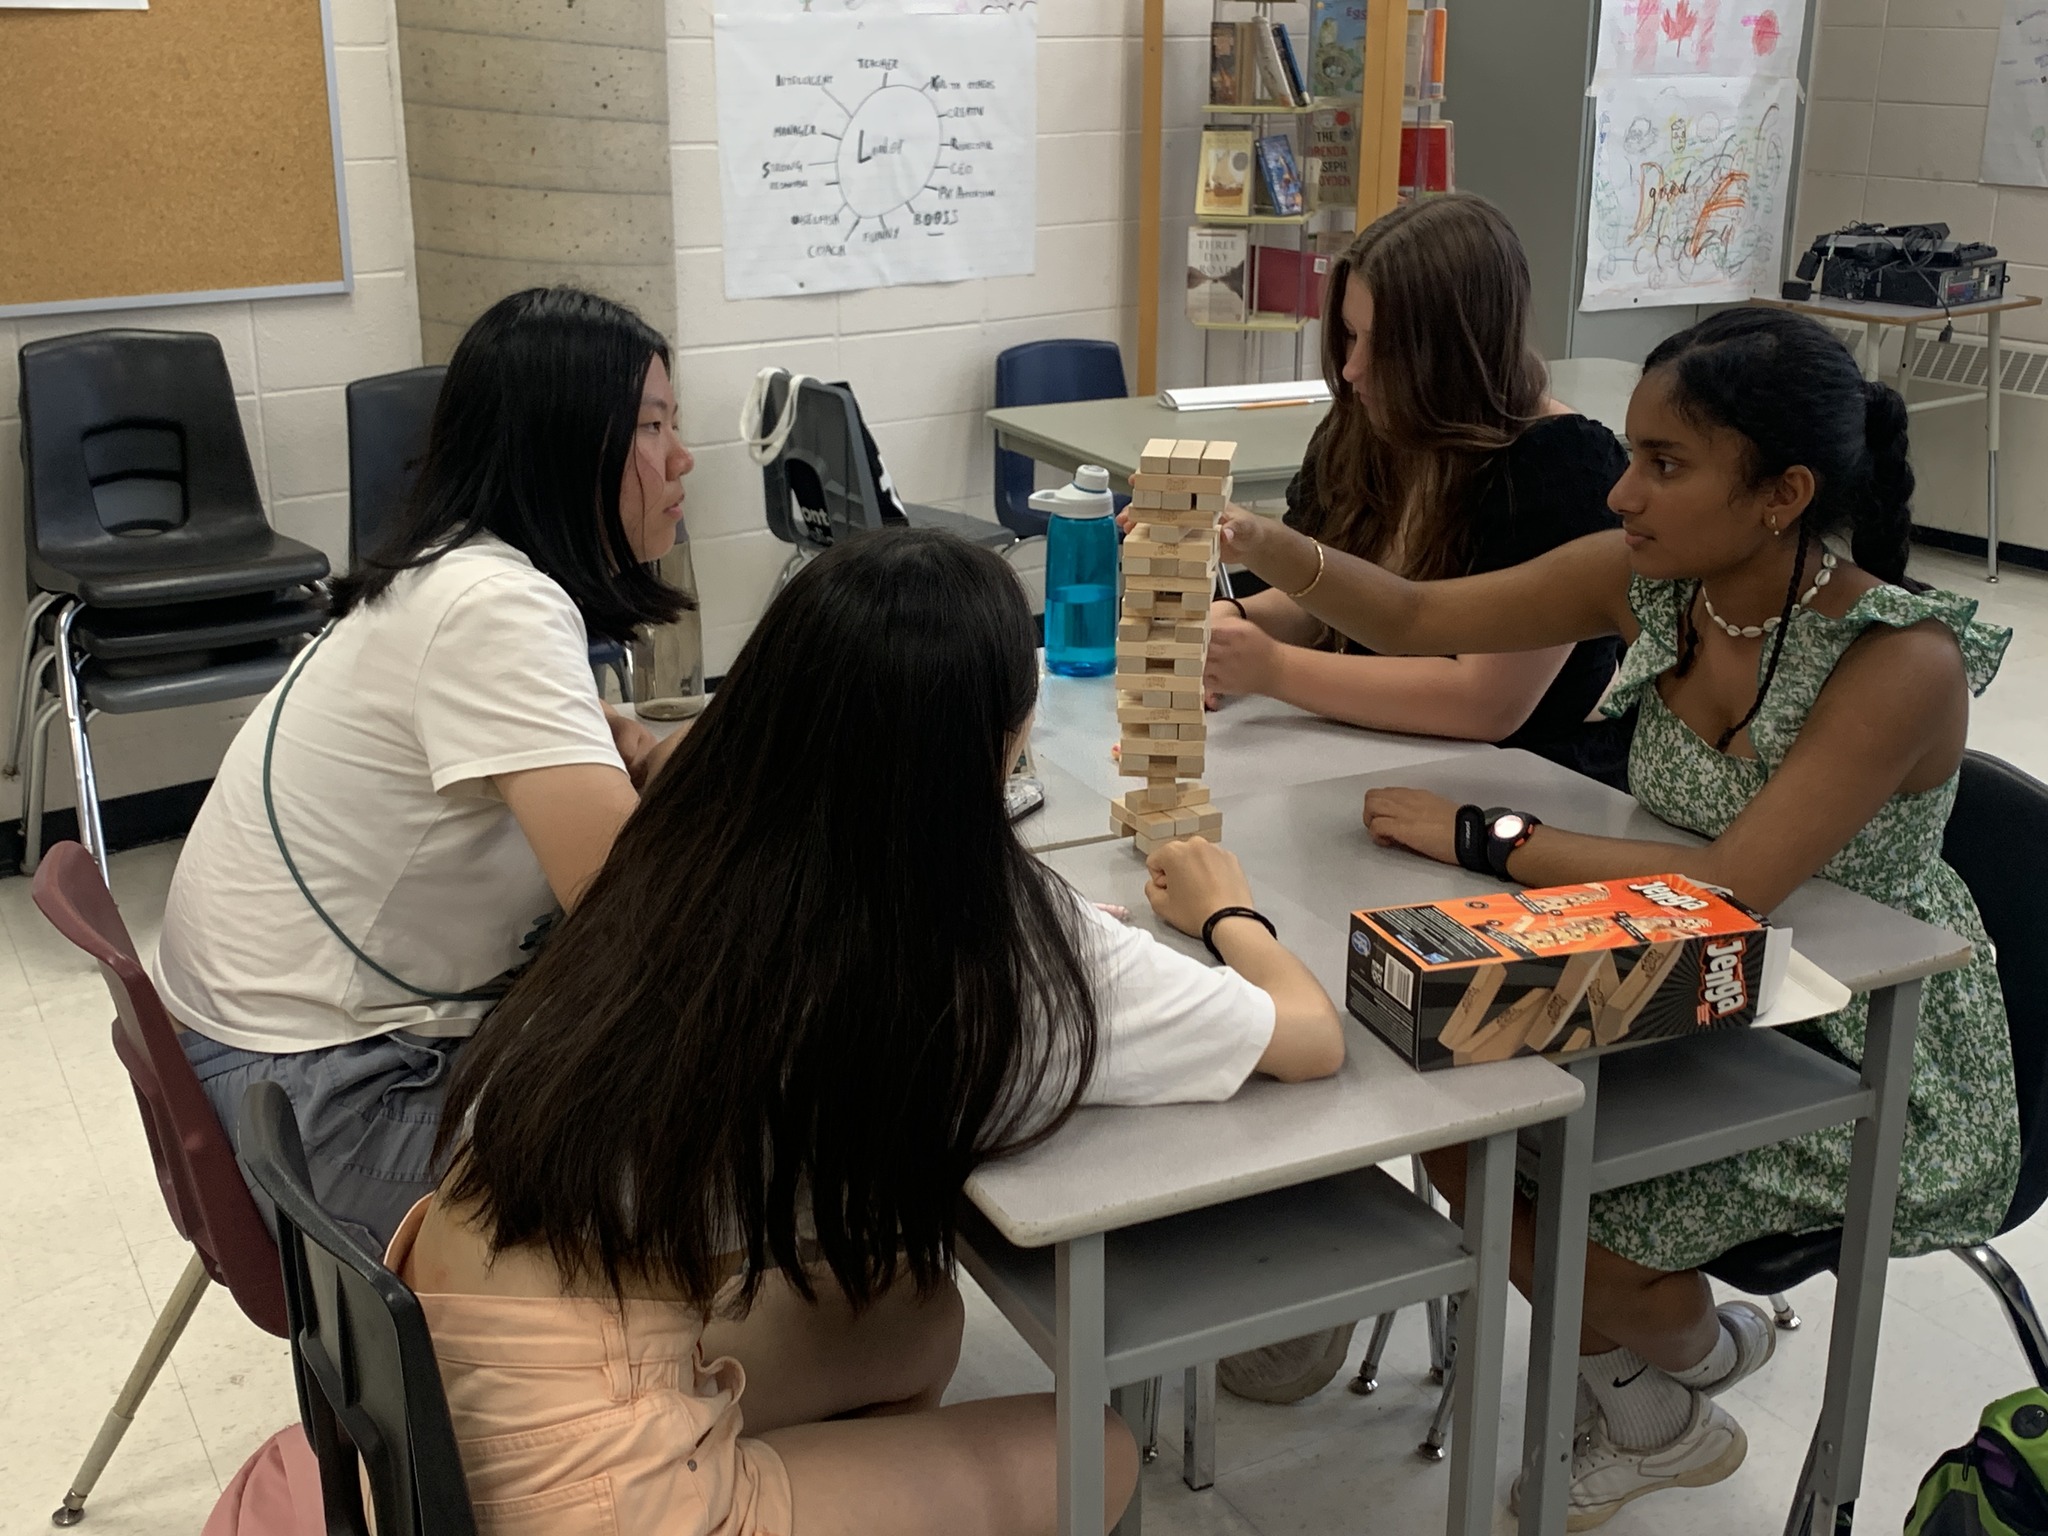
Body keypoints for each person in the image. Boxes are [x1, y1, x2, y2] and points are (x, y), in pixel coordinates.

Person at [1217, 305, 2019, 1528]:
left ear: (1778, 494)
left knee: (1549, 1190)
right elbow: (1426, 620)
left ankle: (1676, 1367)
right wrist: (1253, 540)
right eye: (1629, 456)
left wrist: (1485, 836)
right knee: (1456, 1120)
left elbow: (1730, 889)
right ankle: (1677, 1382)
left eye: (1661, 464)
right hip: (1680, 980)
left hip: (1854, 1039)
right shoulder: (1657, 584)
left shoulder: (1895, 659)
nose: (1618, 494)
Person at [390, 528, 1347, 1536]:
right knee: (1092, 1455)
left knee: (909, 1315)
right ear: (1004, 743)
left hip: (439, 1366)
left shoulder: (676, 832)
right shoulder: (998, 947)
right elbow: (1304, 1036)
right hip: (590, 1479)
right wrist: (1224, 914)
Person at [152, 287, 697, 1253]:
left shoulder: (454, 570)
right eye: (652, 426)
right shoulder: (495, 609)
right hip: (326, 1109)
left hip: (273, 1065)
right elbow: (636, 918)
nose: (681, 459)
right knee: (742, 1133)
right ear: (566, 444)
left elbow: (625, 789)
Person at [1204, 194, 1630, 780]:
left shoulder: (1561, 464)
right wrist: (1235, 621)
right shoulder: (1368, 421)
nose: (1353, 370)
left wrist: (1274, 668)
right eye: (1350, 336)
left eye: (1384, 346)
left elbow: (1487, 703)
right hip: (1363, 757)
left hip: (1519, 781)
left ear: (1458, 349)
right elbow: (1327, 599)